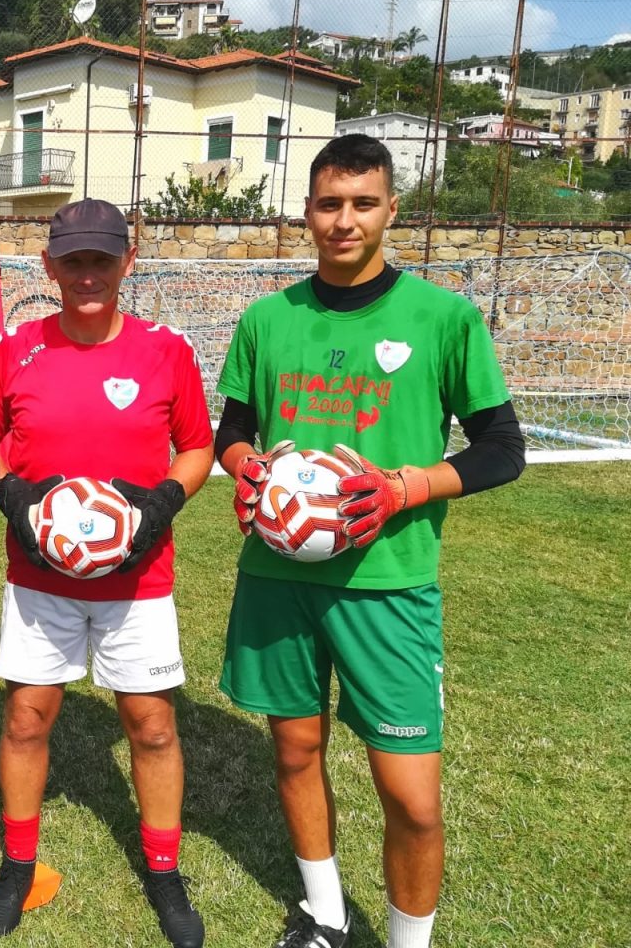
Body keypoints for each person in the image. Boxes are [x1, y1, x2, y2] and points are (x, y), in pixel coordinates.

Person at [216, 133, 525, 948]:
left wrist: (403, 488)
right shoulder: (266, 319)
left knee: (414, 799)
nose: (343, 221)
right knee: (293, 754)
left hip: (389, 584)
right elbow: (233, 431)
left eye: (362, 203)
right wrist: (248, 468)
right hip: (278, 578)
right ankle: (324, 916)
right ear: (307, 212)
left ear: (393, 209)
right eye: (328, 204)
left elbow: (503, 449)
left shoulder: (442, 318)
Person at [0, 198, 214, 948]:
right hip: (39, 576)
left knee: (149, 723)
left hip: (136, 578)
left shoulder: (165, 350)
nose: (87, 274)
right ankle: (18, 864)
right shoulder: (13, 349)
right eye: (72, 261)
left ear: (126, 262)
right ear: (48, 266)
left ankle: (164, 870)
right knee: (25, 718)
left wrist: (162, 503)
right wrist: (14, 494)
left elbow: (197, 447)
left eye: (101, 260)